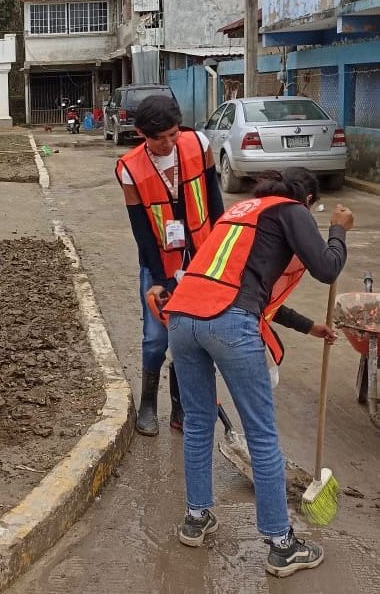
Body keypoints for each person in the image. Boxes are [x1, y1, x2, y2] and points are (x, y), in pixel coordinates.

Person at [164, 168, 352, 577]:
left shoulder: (240, 212)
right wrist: (337, 230)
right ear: (307, 199)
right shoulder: (292, 209)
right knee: (262, 434)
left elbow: (238, 285)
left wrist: (308, 326)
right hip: (228, 323)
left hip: (180, 318)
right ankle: (281, 545)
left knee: (197, 423)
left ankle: (196, 518)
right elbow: (327, 267)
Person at [115, 95, 224, 436]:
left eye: (172, 135)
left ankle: (181, 407)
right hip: (159, 262)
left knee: (190, 335)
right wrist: (160, 279)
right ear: (141, 134)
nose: (167, 144)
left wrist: (221, 257)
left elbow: (215, 202)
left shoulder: (198, 144)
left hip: (200, 256)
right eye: (158, 138)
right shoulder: (130, 168)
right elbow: (142, 231)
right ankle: (148, 404)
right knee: (156, 337)